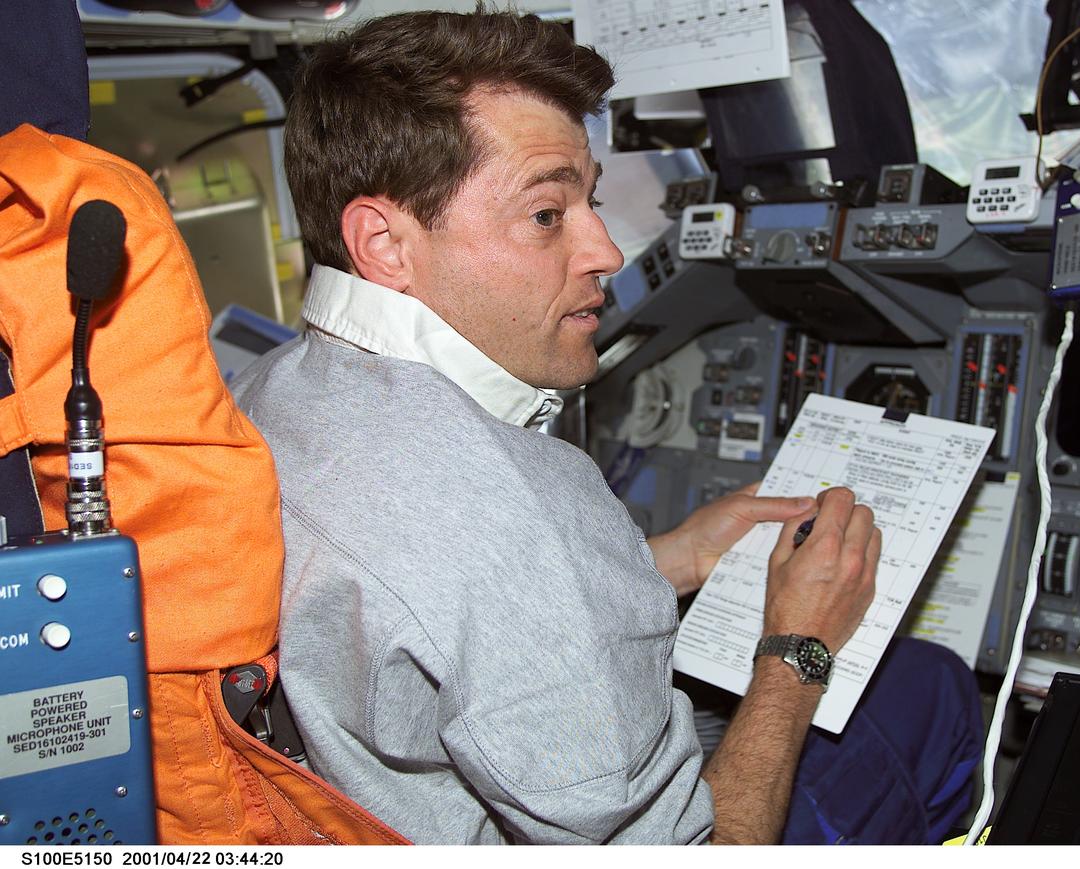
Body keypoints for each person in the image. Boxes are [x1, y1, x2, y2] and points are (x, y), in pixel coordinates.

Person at [231, 7, 981, 845]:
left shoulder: (259, 394)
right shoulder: (518, 512)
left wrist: (671, 560)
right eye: (546, 214)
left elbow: (444, 617)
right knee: (930, 685)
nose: (608, 252)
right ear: (384, 242)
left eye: (590, 199)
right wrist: (797, 650)